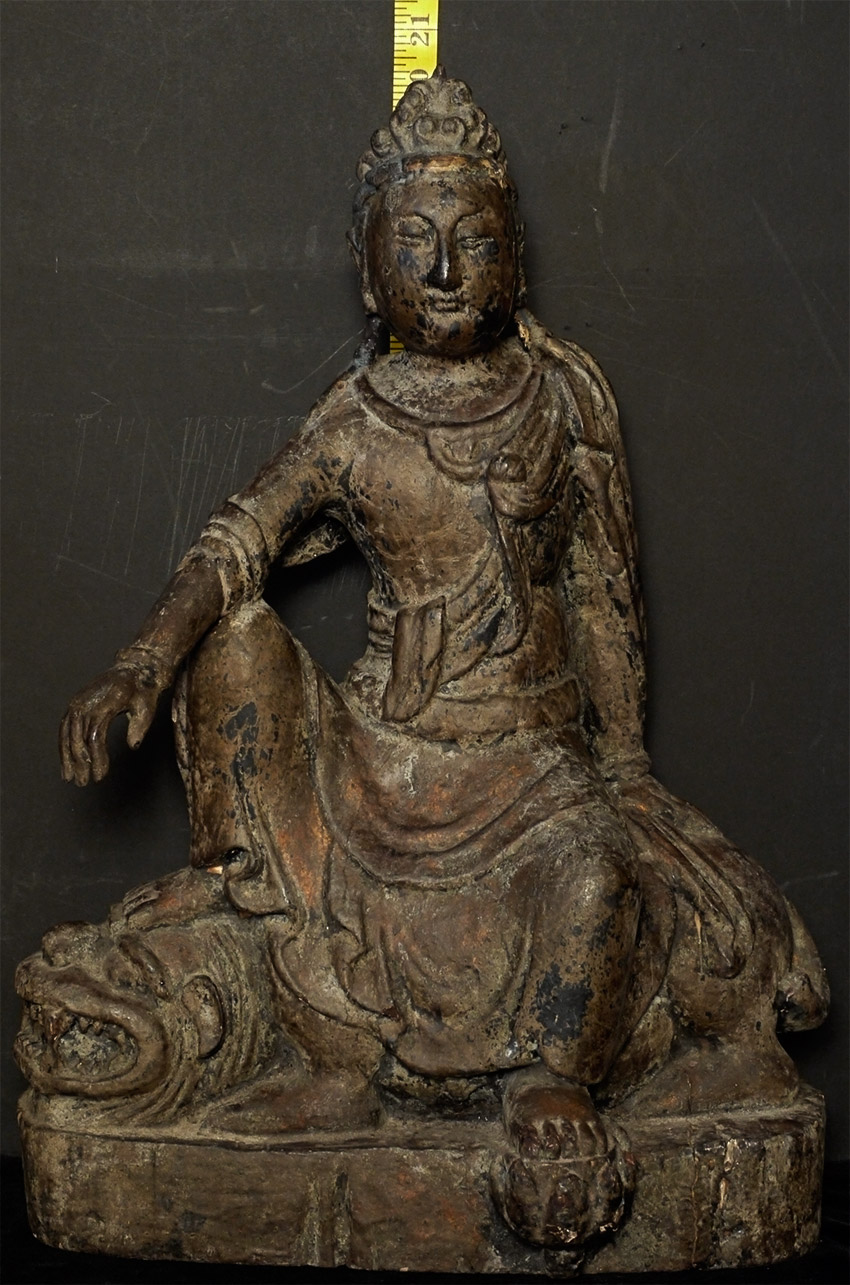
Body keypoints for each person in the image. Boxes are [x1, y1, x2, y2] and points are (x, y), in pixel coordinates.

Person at [58, 71, 825, 1168]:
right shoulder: (355, 419)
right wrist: (141, 665)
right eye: (412, 240)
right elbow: (238, 541)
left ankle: (548, 1076)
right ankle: (262, 920)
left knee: (600, 878)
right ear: (369, 271)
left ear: (515, 259)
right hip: (379, 757)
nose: (445, 269)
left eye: (474, 239)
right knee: (236, 639)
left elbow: (603, 592)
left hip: (529, 762)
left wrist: (622, 764)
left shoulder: (560, 399)